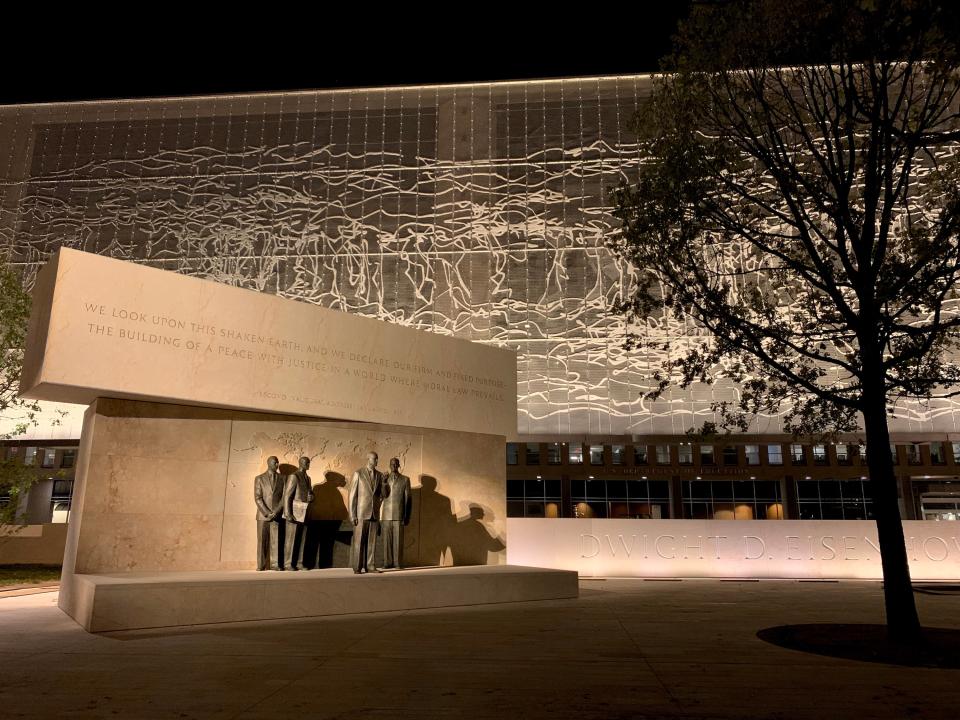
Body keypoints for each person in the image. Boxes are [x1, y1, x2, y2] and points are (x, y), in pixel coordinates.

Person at [348, 451, 383, 573]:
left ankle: (370, 565)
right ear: (368, 459)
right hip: (361, 513)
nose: (376, 461)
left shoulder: (380, 475)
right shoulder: (358, 473)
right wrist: (352, 515)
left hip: (374, 513)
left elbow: (381, 496)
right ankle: (357, 567)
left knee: (372, 542)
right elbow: (352, 496)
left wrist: (384, 484)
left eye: (377, 459)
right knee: (359, 541)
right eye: (374, 459)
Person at [283, 455, 315, 571]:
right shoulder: (294, 476)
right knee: (291, 539)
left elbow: (310, 492)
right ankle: (288, 563)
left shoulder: (308, 478)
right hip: (294, 512)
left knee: (302, 539)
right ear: (300, 463)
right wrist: (288, 513)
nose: (308, 464)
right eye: (306, 462)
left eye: (309, 462)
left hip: (305, 512)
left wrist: (312, 497)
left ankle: (299, 562)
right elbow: (287, 496)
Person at [254, 456, 284, 571]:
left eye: (277, 462)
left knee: (276, 540)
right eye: (274, 462)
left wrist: (276, 511)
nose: (277, 464)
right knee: (262, 541)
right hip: (263, 515)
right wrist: (267, 513)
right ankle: (261, 565)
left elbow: (283, 498)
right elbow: (258, 498)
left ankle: (275, 564)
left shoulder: (283, 478)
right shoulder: (259, 478)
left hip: (277, 514)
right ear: (268, 463)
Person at [381, 457, 412, 569]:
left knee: (398, 541)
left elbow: (408, 499)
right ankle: (387, 563)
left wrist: (407, 516)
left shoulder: (405, 479)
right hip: (386, 514)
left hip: (399, 514)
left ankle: (397, 563)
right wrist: (384, 483)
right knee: (387, 541)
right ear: (389, 465)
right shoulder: (384, 478)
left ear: (399, 465)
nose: (393, 466)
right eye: (391, 464)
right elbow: (383, 496)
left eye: (395, 464)